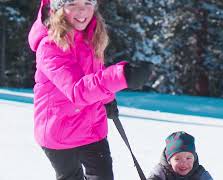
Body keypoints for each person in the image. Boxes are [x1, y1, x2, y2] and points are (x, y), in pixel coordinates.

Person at [28, 0, 152, 179]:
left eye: (87, 2)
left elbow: (95, 73)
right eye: (72, 4)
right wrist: (123, 76)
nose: (82, 10)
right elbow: (77, 90)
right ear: (58, 8)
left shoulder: (91, 35)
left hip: (92, 126)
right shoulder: (50, 46)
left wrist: (107, 100)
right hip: (60, 131)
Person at [148, 131, 213, 180]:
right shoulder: (162, 171)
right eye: (177, 159)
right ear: (169, 160)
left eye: (188, 158)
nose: (184, 163)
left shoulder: (200, 173)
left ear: (194, 158)